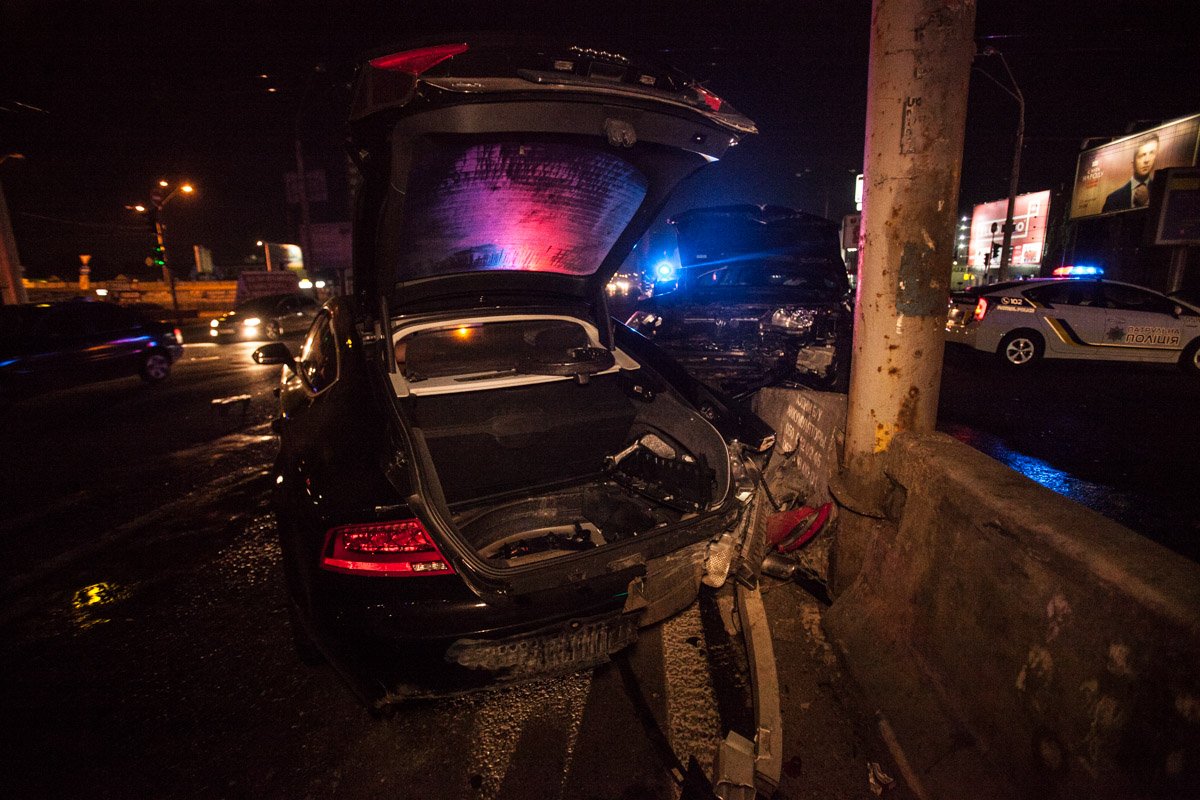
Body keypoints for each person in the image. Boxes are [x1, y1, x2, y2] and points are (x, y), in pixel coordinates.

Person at [1102, 134, 1158, 212]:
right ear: (1133, 162)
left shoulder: (1161, 192)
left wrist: (1147, 202)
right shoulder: (1114, 198)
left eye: (1151, 153)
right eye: (1142, 155)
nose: (1147, 160)